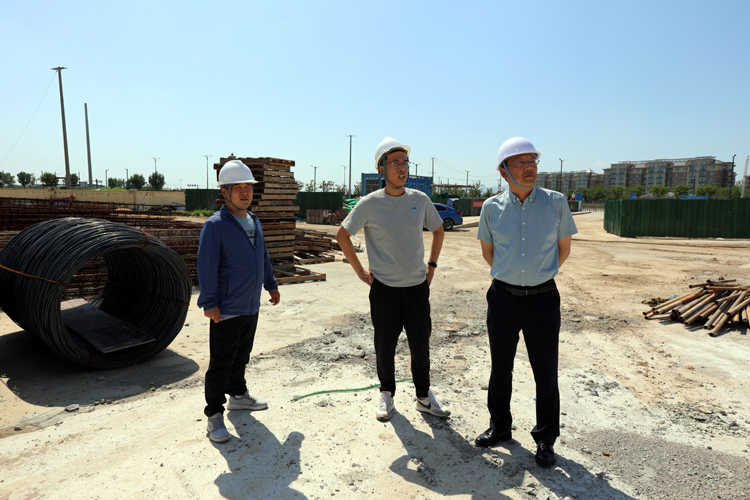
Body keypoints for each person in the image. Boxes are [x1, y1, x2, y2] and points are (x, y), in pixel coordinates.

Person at [474, 137, 577, 467]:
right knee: (500, 368)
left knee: (545, 373)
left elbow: (563, 249)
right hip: (502, 298)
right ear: (504, 171)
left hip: (543, 300)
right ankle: (500, 427)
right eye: (520, 162)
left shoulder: (556, 202)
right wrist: (510, 276)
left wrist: (538, 275)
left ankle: (546, 438)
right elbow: (488, 253)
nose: (529, 167)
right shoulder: (491, 208)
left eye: (532, 161)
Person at [336, 137, 449, 421]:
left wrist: (432, 266)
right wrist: (360, 271)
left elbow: (438, 230)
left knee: (420, 345)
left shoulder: (420, 200)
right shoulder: (369, 204)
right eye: (395, 163)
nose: (402, 168)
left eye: (405, 162)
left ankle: (424, 397)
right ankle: (386, 394)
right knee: (384, 345)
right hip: (384, 289)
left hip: (416, 288)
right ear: (381, 169)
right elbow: (342, 235)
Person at [197, 160, 280, 443]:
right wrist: (209, 302)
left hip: (250, 305)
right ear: (225, 191)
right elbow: (206, 266)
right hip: (227, 309)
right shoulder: (215, 225)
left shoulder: (253, 220)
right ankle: (214, 414)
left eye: (249, 187)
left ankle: (238, 396)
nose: (245, 192)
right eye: (238, 188)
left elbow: (263, 256)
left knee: (241, 356)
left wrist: (271, 284)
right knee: (221, 363)